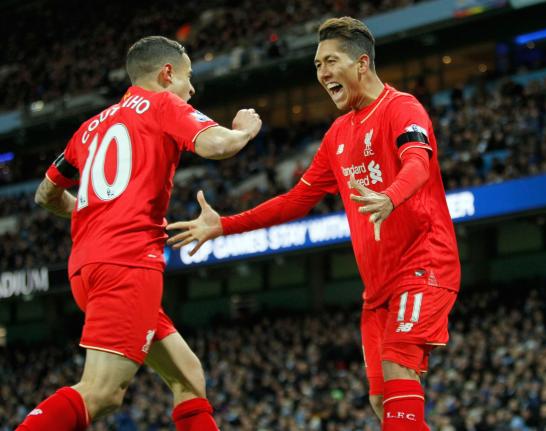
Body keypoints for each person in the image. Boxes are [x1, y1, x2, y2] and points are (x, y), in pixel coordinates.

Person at [167, 17, 460, 430]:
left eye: (330, 61)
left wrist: (390, 196)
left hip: (423, 265)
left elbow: (418, 160)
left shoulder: (402, 107)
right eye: (317, 65)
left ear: (362, 63)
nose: (322, 73)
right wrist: (224, 226)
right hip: (377, 287)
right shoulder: (338, 133)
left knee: (398, 371)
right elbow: (295, 201)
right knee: (381, 401)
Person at [17, 35, 262, 431]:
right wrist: (245, 130)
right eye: (188, 77)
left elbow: (46, 194)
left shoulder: (90, 127)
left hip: (86, 266)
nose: (192, 88)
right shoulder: (164, 104)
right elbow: (217, 145)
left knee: (188, 377)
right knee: (102, 393)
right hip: (127, 263)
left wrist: (91, 212)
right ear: (167, 74)